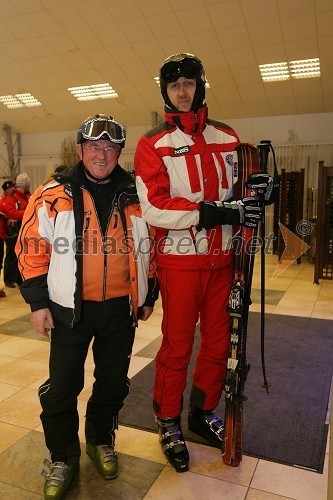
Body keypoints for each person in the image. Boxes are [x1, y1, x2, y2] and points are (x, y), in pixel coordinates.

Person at [134, 53, 274, 472]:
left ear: (200, 87)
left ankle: (202, 410)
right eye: (174, 85)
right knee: (177, 347)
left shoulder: (227, 136)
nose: (182, 91)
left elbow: (243, 192)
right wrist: (214, 212)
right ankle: (167, 420)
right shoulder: (152, 144)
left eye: (189, 83)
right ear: (165, 91)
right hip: (180, 265)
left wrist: (260, 194)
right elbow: (156, 207)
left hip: (224, 262)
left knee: (219, 346)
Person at [15, 114, 159, 500]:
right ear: (80, 150)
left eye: (110, 148)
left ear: (118, 153)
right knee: (62, 387)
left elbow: (152, 248)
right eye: (94, 147)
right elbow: (31, 247)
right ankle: (63, 455)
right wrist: (37, 302)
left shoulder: (137, 195)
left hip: (119, 310)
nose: (102, 154)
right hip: (67, 310)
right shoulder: (52, 193)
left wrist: (147, 294)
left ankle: (99, 440)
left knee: (112, 383)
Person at [0, 174, 31, 288]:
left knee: (20, 254)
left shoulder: (24, 195)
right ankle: (8, 279)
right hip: (13, 229)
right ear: (24, 185)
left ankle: (19, 278)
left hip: (22, 228)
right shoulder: (12, 196)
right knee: (11, 254)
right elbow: (10, 213)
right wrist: (28, 213)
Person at [0, 180, 16, 297]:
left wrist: (7, 220)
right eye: (11, 187)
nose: (13, 189)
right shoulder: (3, 201)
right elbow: (7, 211)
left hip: (2, 234)